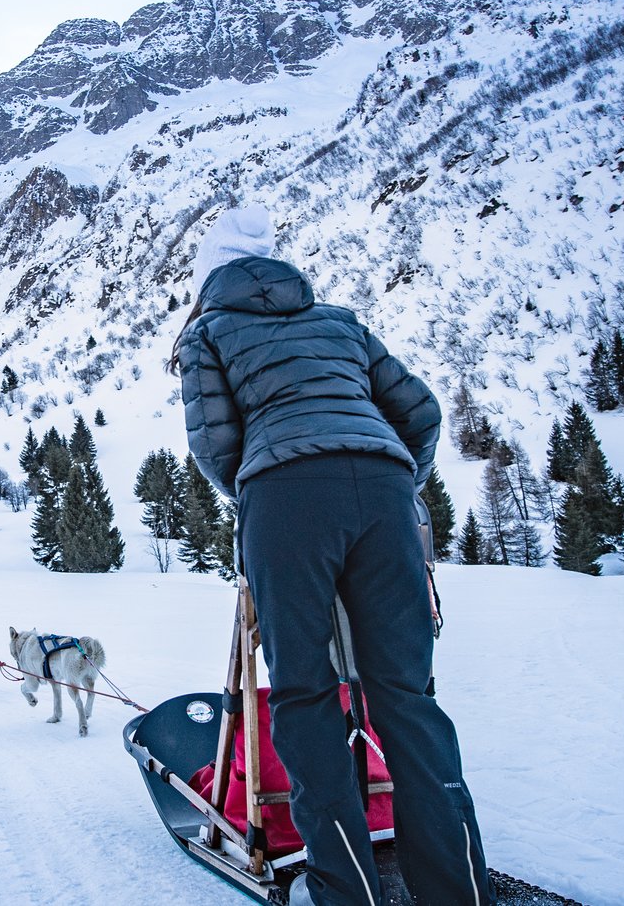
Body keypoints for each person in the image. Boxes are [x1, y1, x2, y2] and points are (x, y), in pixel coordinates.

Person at [173, 205, 494, 906]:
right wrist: (396, 481)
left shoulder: (207, 330)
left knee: (306, 693)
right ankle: (458, 891)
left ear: (209, 277)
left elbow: (213, 440)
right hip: (383, 493)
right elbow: (421, 411)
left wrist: (259, 494)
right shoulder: (341, 321)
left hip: (285, 499)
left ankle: (348, 890)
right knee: (407, 697)